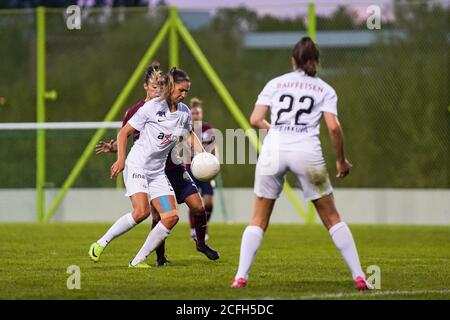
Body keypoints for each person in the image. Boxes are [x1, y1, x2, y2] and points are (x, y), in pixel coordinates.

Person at [230, 37, 373, 290]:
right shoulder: (325, 89)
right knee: (331, 217)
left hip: (273, 152)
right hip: (307, 155)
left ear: (293, 59)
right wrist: (341, 161)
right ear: (316, 61)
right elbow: (334, 128)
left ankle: (240, 277)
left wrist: (276, 129)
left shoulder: (275, 83)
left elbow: (255, 119)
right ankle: (359, 276)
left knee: (258, 219)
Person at [89, 67, 217, 269]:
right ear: (171, 87)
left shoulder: (183, 112)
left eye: (187, 91)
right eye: (181, 91)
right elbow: (123, 134)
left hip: (158, 172)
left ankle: (138, 261)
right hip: (137, 165)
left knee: (171, 217)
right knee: (141, 213)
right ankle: (100, 243)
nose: (184, 95)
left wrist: (203, 154)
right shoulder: (150, 108)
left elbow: (190, 133)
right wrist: (121, 159)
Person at [185, 97, 219, 241]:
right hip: (190, 169)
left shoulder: (207, 128)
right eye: (193, 113)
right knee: (195, 203)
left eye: (198, 113)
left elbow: (215, 146)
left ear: (201, 114)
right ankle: (194, 229)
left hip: (206, 170)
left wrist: (216, 162)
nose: (196, 116)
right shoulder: (186, 129)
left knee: (209, 203)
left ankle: (203, 226)